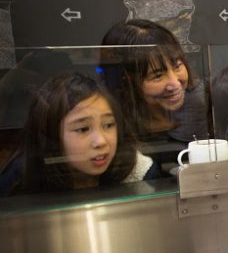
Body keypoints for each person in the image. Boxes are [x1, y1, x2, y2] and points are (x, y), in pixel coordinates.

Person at [0, 73, 158, 195]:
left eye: (108, 125)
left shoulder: (138, 172)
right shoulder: (20, 179)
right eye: (83, 129)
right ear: (51, 135)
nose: (101, 141)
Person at [100, 19, 209, 147]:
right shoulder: (109, 116)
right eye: (158, 76)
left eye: (177, 66)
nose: (175, 84)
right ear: (127, 80)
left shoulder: (199, 100)